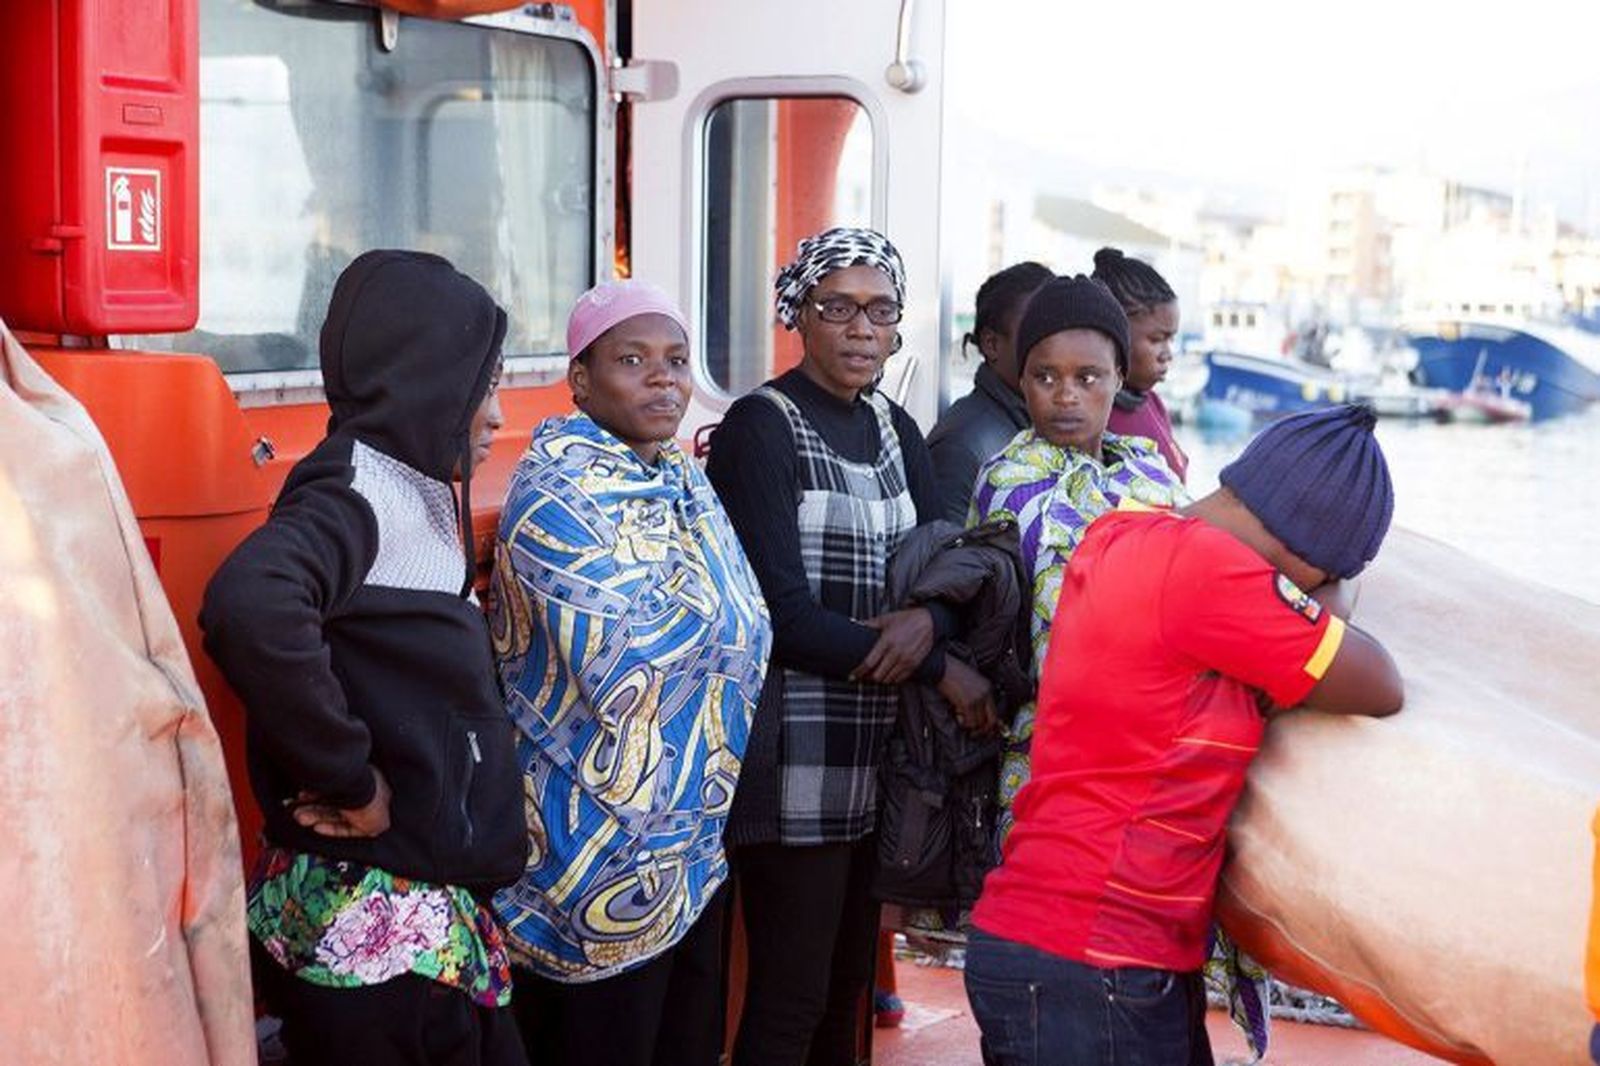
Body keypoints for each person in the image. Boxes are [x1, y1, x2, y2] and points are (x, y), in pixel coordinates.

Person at [966, 403, 1403, 1066]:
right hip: (1093, 957)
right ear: (1311, 556)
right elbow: (1379, 684)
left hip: (1066, 948)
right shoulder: (1211, 575)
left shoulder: (1122, 535)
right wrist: (1330, 596)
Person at [200, 250, 530, 1066]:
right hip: (374, 932)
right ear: (422, 384)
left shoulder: (409, 485)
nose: (494, 415)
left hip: (420, 914)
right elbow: (251, 604)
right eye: (479, 387)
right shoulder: (354, 492)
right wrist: (351, 777)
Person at [705, 226, 995, 1066]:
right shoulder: (759, 429)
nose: (862, 328)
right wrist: (938, 664)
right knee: (790, 994)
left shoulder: (897, 428)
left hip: (885, 755)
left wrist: (929, 623)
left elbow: (948, 570)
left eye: (880, 311)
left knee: (847, 990)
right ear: (799, 314)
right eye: (838, 307)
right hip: (797, 749)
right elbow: (782, 617)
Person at [487, 280, 773, 1066]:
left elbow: (746, 621)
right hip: (588, 849)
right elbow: (627, 657)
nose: (663, 379)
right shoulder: (556, 494)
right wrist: (717, 638)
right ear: (580, 379)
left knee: (683, 1041)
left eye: (677, 361)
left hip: (690, 845)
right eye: (632, 360)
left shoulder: (682, 481)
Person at [968, 275, 1186, 844]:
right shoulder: (1009, 481)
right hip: (1045, 752)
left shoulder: (1151, 475)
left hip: (1155, 754)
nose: (1066, 395)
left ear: (1118, 377)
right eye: (1046, 377)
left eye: (1087, 377)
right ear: (1021, 381)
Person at [925, 261, 1054, 521]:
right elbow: (949, 555)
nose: (1052, 346)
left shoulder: (1049, 422)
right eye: (1035, 333)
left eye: (1056, 330)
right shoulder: (962, 444)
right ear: (992, 344)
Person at [1092, 246, 1189, 481]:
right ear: (1113, 333)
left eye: (1171, 339)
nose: (1168, 354)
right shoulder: (1091, 418)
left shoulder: (1152, 402)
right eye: (1157, 339)